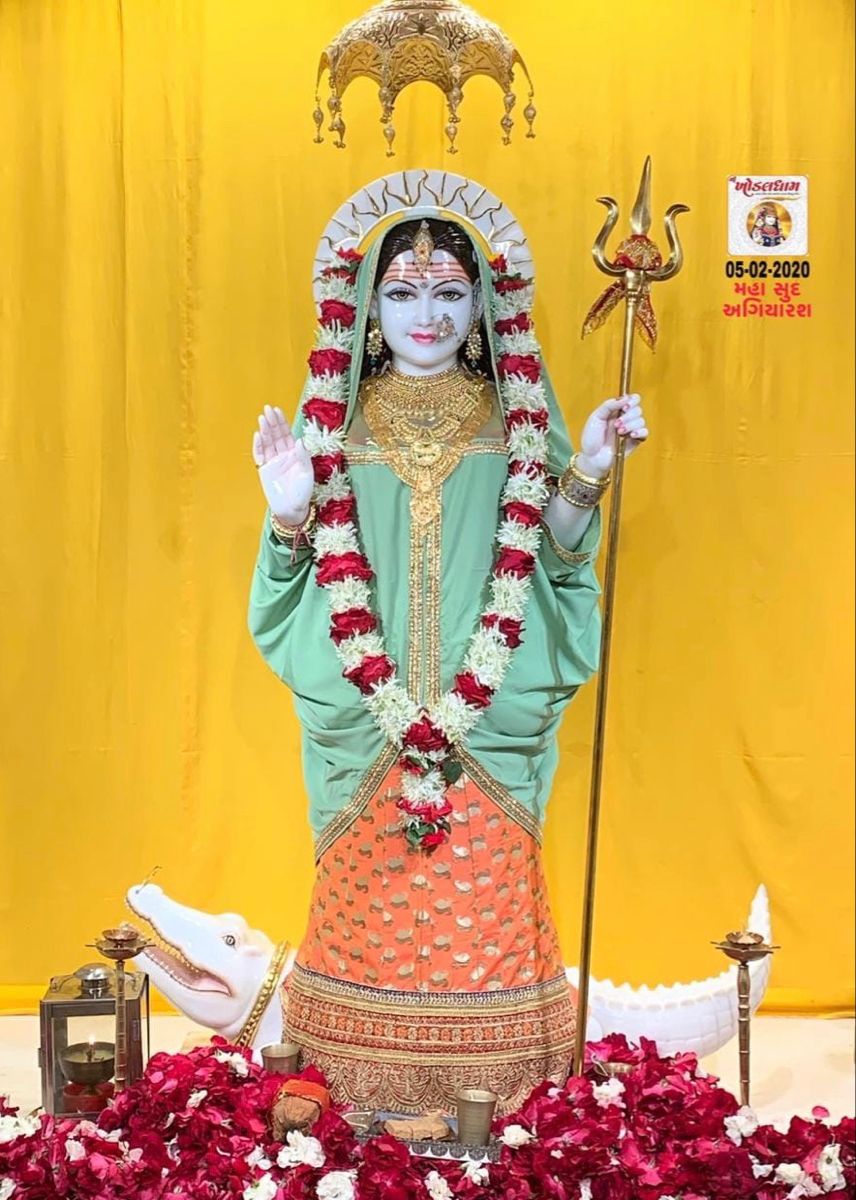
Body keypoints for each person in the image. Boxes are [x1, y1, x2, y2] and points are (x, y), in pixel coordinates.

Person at [248, 202, 648, 1113]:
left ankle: (496, 1085)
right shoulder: (336, 425)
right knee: (360, 902)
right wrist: (288, 512)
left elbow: (554, 552)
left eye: (449, 293)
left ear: (481, 310)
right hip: (365, 720)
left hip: (489, 716)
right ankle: (344, 1075)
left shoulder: (513, 419)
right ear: (365, 307)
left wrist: (588, 467)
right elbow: (288, 580)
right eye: (401, 294)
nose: (425, 315)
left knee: (491, 902)